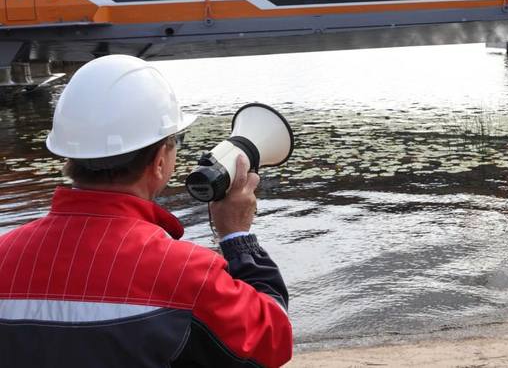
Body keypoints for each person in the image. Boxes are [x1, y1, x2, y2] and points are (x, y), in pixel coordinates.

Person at [0, 55, 293, 367]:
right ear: (158, 162)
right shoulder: (186, 275)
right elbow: (272, 339)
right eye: (174, 141)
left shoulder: (5, 256)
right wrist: (237, 236)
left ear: (68, 156)